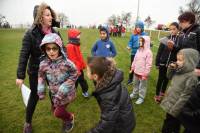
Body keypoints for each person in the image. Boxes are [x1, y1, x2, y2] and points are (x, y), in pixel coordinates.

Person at [16, 3, 62, 133]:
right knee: (35, 96)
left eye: (51, 15)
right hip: (36, 71)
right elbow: (24, 55)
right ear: (40, 18)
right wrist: (20, 76)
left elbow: (62, 49)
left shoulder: (55, 32)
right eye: (47, 15)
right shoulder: (30, 34)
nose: (51, 17)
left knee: (54, 89)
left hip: (53, 69)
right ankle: (28, 123)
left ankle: (54, 106)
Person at [38, 33, 78, 133]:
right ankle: (64, 117)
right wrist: (41, 89)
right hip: (54, 93)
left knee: (58, 113)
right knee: (56, 107)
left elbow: (75, 73)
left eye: (54, 48)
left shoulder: (67, 63)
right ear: (44, 50)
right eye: (48, 49)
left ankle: (69, 118)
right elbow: (41, 76)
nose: (51, 51)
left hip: (67, 93)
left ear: (59, 48)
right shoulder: (43, 64)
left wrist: (64, 87)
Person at [86, 56, 135, 133]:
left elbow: (107, 123)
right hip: (125, 118)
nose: (86, 72)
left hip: (122, 127)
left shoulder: (107, 97)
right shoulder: (111, 80)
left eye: (88, 71)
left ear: (95, 76)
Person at [160, 48, 199, 133]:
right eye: (177, 59)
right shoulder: (180, 70)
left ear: (190, 61)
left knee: (171, 126)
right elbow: (169, 77)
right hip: (171, 102)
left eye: (180, 60)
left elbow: (186, 96)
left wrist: (175, 110)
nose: (177, 62)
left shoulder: (191, 77)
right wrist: (171, 68)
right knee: (169, 122)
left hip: (177, 108)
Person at [167, 12, 200, 77]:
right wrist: (173, 47)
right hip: (183, 65)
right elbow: (180, 49)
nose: (180, 24)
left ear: (189, 20)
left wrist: (198, 67)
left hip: (193, 68)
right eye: (179, 21)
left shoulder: (198, 31)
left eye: (181, 21)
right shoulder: (183, 34)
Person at [154, 22, 180, 103]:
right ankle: (157, 94)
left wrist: (173, 47)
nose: (172, 31)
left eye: (174, 29)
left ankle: (162, 92)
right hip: (162, 63)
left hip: (172, 64)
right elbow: (159, 52)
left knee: (167, 79)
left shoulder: (179, 40)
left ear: (178, 29)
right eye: (170, 29)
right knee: (160, 79)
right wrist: (157, 63)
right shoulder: (165, 39)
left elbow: (179, 51)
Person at [65, 29, 89, 98]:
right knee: (75, 81)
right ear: (73, 36)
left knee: (81, 80)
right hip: (75, 68)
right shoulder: (70, 46)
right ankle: (72, 93)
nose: (79, 36)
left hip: (78, 67)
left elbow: (79, 56)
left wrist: (82, 65)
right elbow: (73, 59)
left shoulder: (75, 44)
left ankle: (84, 91)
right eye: (78, 35)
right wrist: (77, 70)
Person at [129, 36, 153, 104]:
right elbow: (135, 60)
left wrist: (145, 74)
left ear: (146, 42)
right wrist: (132, 68)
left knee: (142, 86)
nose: (140, 42)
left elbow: (148, 65)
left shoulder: (148, 52)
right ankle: (135, 94)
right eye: (139, 41)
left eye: (142, 41)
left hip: (143, 74)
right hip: (136, 71)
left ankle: (141, 97)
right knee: (135, 83)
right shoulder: (138, 50)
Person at [127, 21, 147, 85]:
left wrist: (149, 44)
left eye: (139, 27)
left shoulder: (145, 35)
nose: (138, 28)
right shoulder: (133, 35)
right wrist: (129, 46)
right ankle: (130, 79)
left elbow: (147, 42)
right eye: (137, 27)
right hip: (134, 53)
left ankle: (138, 79)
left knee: (140, 66)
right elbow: (130, 42)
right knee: (132, 65)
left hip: (141, 53)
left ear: (142, 28)